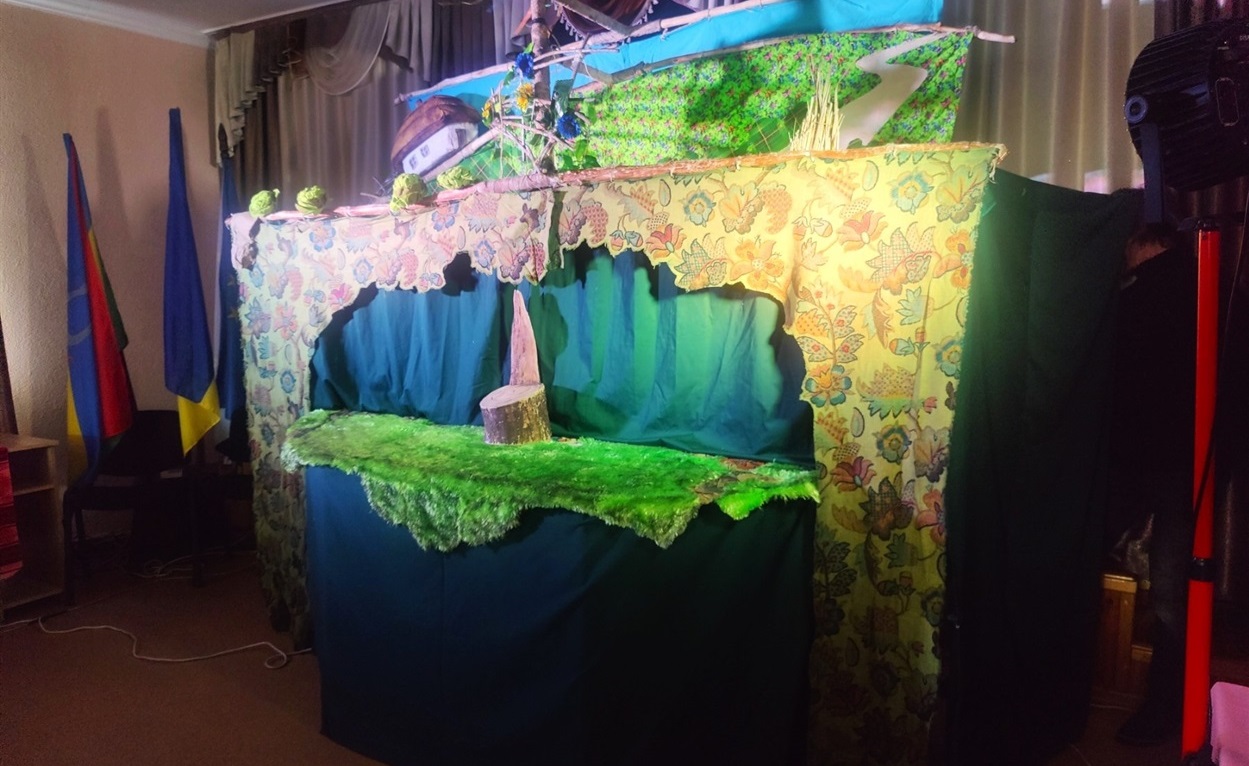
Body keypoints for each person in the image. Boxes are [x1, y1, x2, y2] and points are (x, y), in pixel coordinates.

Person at [1106, 219, 1198, 746]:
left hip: (1144, 460)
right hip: (1187, 463)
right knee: (1173, 593)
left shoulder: (1141, 297)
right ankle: (1167, 710)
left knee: (1166, 591)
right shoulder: (1211, 292)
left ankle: (1161, 711)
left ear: (1149, 248)